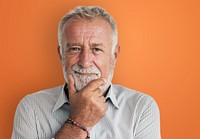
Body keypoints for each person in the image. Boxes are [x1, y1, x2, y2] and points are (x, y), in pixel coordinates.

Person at [12, 6, 161, 139]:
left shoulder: (140, 107)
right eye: (75, 49)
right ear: (61, 54)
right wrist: (79, 122)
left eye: (96, 49)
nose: (85, 62)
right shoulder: (31, 108)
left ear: (114, 55)